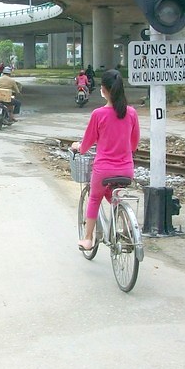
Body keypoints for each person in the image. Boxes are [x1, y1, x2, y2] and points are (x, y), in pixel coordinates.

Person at [71, 69, 139, 251]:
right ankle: (127, 227)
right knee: (113, 195)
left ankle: (87, 238)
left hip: (103, 170)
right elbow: (134, 144)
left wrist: (78, 147)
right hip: (126, 170)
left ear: (103, 89)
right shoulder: (132, 113)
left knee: (94, 197)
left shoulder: (98, 114)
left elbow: (87, 144)